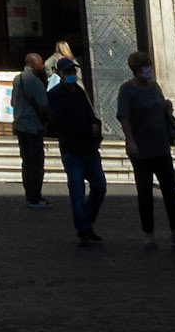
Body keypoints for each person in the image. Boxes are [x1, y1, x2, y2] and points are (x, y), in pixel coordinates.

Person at [115, 51, 175, 248]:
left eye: (149, 66)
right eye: (145, 67)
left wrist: (167, 106)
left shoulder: (155, 87)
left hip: (161, 147)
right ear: (136, 70)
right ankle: (148, 233)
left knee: (169, 191)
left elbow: (162, 107)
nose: (149, 70)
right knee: (145, 193)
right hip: (141, 150)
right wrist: (130, 141)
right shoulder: (127, 90)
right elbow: (124, 117)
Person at [45, 57, 106, 245]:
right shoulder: (54, 95)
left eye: (73, 71)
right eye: (68, 72)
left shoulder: (79, 91)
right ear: (60, 74)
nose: (72, 74)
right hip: (71, 149)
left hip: (89, 147)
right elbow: (60, 122)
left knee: (100, 187)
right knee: (77, 191)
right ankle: (84, 230)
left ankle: (85, 221)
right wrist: (87, 128)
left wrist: (96, 125)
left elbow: (90, 113)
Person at [10, 54, 50, 207]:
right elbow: (43, 105)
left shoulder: (17, 79)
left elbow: (13, 102)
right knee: (36, 163)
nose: (42, 66)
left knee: (26, 162)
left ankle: (29, 194)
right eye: (40, 63)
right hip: (33, 127)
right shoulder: (35, 82)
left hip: (20, 125)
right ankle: (35, 196)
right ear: (33, 64)